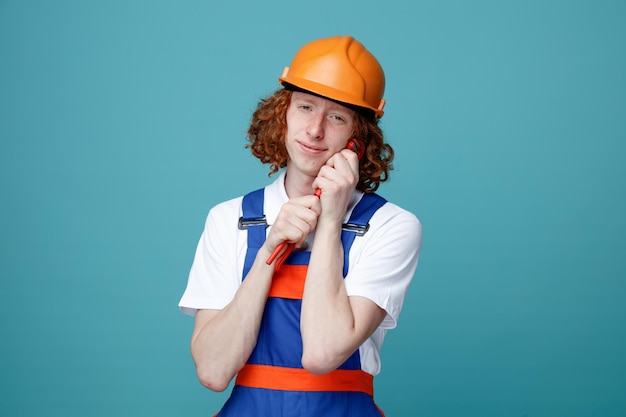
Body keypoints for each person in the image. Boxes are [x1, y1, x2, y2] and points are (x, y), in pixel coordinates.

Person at [179, 35, 422, 416]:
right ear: (283, 114)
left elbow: (323, 353)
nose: (314, 130)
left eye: (337, 116)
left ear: (359, 139)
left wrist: (329, 223)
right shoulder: (230, 220)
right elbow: (212, 371)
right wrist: (267, 252)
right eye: (305, 107)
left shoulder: (391, 226)